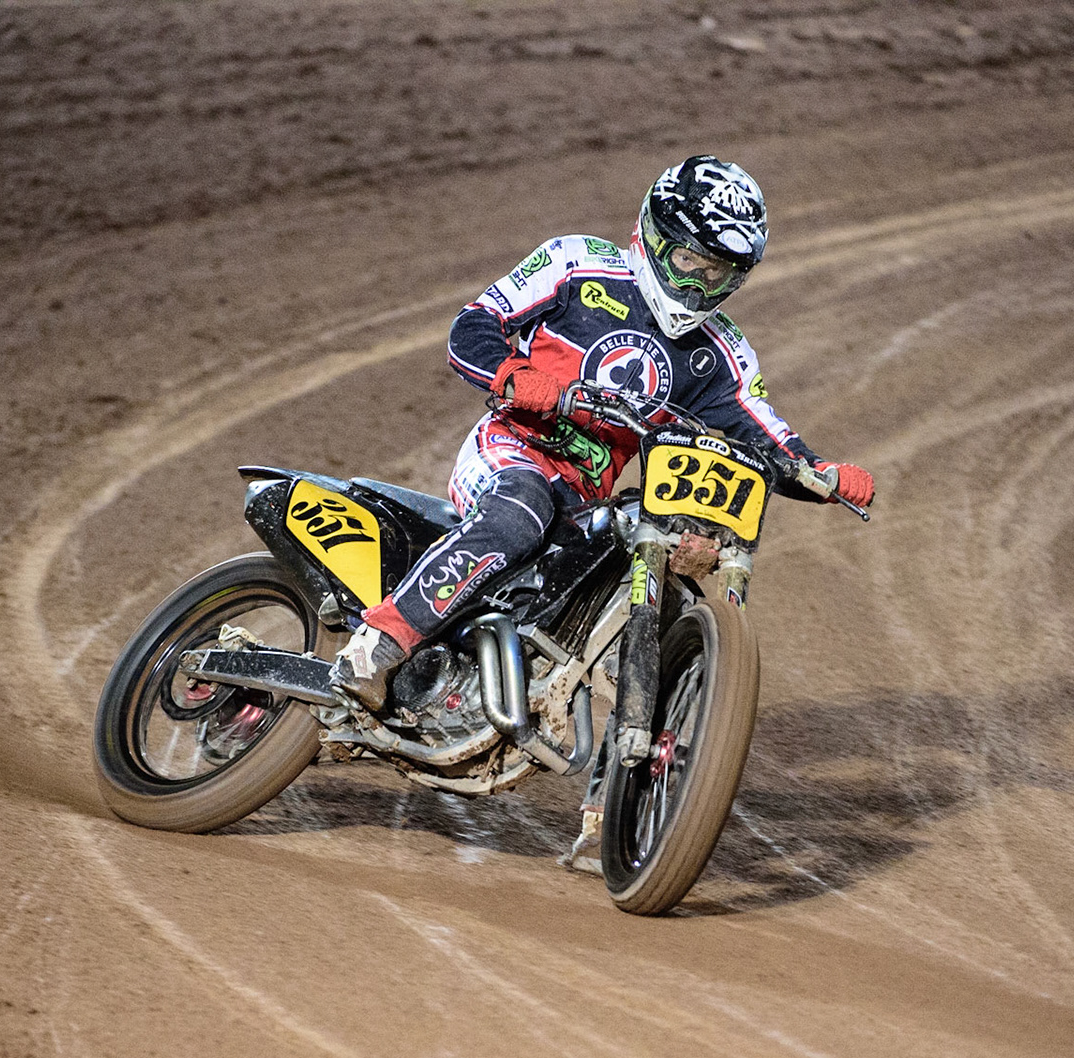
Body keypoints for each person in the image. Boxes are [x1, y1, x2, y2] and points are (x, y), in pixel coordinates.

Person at [331, 155, 874, 713]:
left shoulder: (722, 355)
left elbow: (766, 433)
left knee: (654, 565)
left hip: (587, 501)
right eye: (688, 260)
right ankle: (379, 643)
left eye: (718, 274)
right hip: (512, 450)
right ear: (655, 236)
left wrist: (821, 473)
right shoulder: (576, 264)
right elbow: (473, 326)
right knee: (521, 512)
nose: (697, 284)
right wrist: (516, 376)